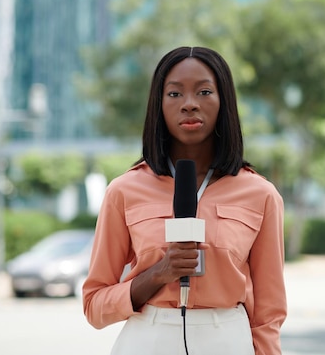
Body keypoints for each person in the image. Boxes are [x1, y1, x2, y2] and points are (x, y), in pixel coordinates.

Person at [82, 46, 287, 355]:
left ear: (223, 102)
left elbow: (268, 313)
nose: (190, 104)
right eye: (175, 94)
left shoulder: (261, 194)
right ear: (158, 105)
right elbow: (94, 306)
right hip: (147, 339)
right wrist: (157, 274)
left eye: (204, 92)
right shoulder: (124, 191)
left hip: (227, 339)